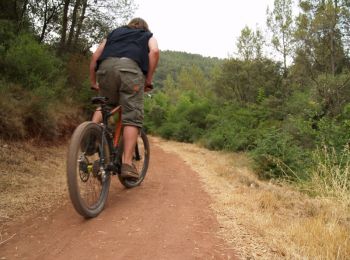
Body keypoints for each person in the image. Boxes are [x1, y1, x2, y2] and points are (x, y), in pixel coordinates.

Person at [89, 17, 159, 179]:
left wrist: (93, 82)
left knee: (105, 104)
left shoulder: (114, 33)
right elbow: (154, 52)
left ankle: (91, 134)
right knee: (132, 116)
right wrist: (148, 80)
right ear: (144, 27)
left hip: (105, 69)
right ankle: (127, 163)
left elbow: (95, 57)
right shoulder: (147, 36)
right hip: (130, 70)